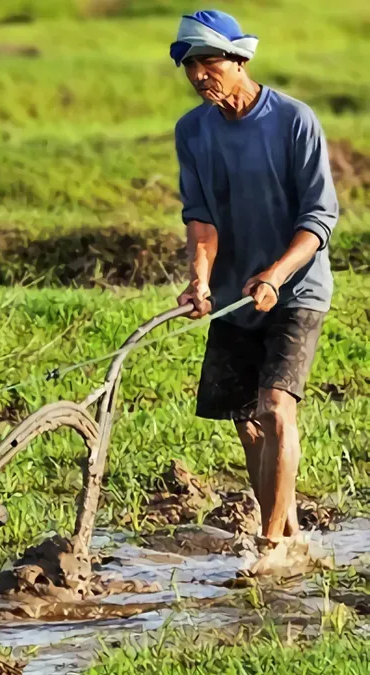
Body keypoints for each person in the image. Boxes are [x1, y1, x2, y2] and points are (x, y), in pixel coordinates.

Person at [168, 10, 339, 566]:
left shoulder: (293, 119)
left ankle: (268, 549)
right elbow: (201, 219)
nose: (198, 74)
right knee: (246, 422)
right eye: (188, 64)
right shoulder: (192, 131)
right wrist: (199, 279)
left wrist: (275, 275)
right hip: (234, 293)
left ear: (240, 59)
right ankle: (289, 539)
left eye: (207, 61)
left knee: (275, 408)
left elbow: (318, 217)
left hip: (296, 287)